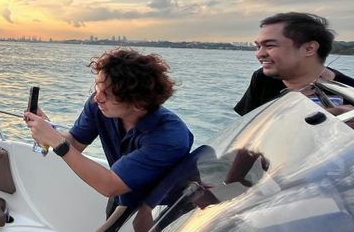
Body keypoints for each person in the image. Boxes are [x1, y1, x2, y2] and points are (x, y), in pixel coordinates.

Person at [24, 48, 193, 214]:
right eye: (97, 87)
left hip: (163, 212)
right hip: (122, 200)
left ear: (139, 103)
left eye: (107, 94)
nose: (97, 98)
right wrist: (47, 128)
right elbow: (75, 143)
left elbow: (110, 185)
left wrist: (56, 141)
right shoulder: (99, 107)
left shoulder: (170, 137)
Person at [235, 12, 354, 115]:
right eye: (258, 46)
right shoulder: (263, 78)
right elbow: (248, 128)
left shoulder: (349, 92)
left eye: (270, 45)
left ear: (309, 49)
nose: (259, 54)